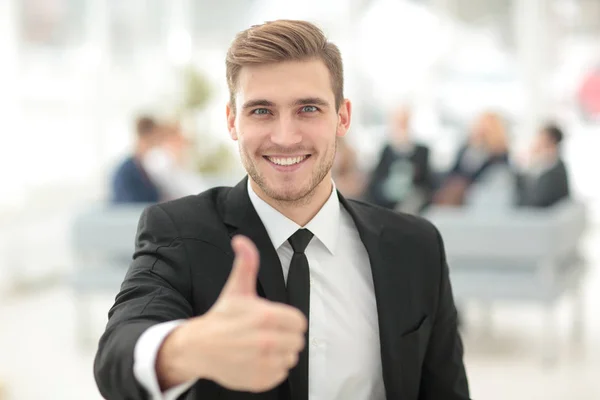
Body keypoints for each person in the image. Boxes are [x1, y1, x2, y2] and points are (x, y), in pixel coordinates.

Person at [94, 20, 470, 400]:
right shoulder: (177, 231)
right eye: (261, 111)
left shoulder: (415, 246)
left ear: (342, 117)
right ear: (231, 121)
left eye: (308, 108)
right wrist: (188, 349)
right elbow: (117, 357)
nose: (286, 137)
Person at [433, 111, 509, 206]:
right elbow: (455, 170)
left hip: (479, 189)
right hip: (457, 187)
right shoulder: (466, 148)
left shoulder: (498, 154)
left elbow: (492, 175)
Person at [365, 105, 432, 211]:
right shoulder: (386, 150)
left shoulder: (421, 151)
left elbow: (427, 182)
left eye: (403, 122)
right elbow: (377, 179)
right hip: (387, 198)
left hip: (411, 198)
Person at [110, 115, 163, 203]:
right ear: (148, 136)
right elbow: (128, 205)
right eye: (156, 137)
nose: (157, 142)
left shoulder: (144, 167)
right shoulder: (126, 171)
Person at [515, 123, 570, 207]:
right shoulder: (543, 165)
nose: (536, 142)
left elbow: (538, 201)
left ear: (550, 141)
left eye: (540, 138)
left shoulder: (553, 168)